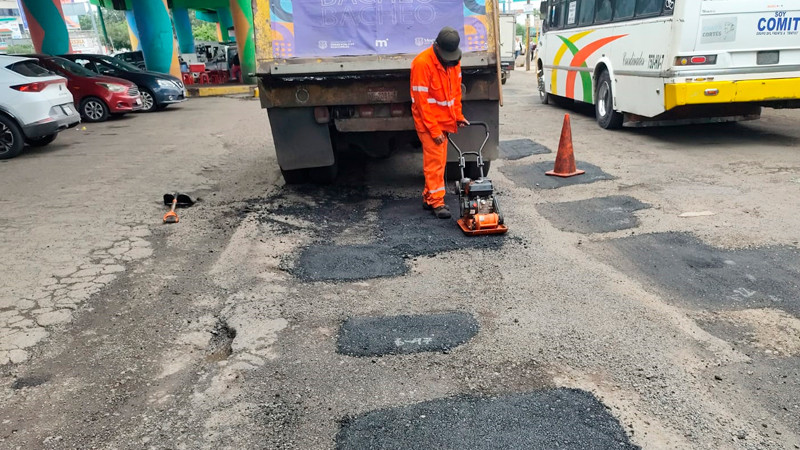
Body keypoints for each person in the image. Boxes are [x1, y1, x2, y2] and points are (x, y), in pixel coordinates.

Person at [410, 27, 470, 219]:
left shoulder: (453, 62)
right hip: (429, 124)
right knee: (435, 163)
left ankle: (429, 197)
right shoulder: (422, 64)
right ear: (436, 46)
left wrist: (458, 116)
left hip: (444, 121)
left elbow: (455, 94)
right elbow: (421, 103)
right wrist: (434, 130)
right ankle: (437, 203)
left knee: (439, 162)